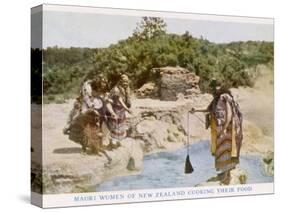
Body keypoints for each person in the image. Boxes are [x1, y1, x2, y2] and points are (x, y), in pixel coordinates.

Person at [190, 79, 243, 184]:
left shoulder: (225, 97)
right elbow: (209, 110)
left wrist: (224, 129)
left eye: (217, 86)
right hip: (219, 129)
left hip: (227, 129)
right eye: (213, 87)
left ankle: (226, 176)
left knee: (225, 150)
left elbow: (229, 114)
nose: (215, 89)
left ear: (220, 86)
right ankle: (224, 172)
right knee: (220, 150)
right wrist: (195, 110)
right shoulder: (216, 99)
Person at [105, 74, 132, 149]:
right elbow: (120, 100)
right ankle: (112, 143)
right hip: (114, 109)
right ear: (120, 81)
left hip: (121, 110)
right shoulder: (116, 89)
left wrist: (126, 108)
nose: (125, 83)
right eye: (123, 82)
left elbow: (126, 99)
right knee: (114, 125)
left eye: (126, 82)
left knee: (120, 126)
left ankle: (117, 142)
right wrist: (127, 109)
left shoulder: (126, 88)